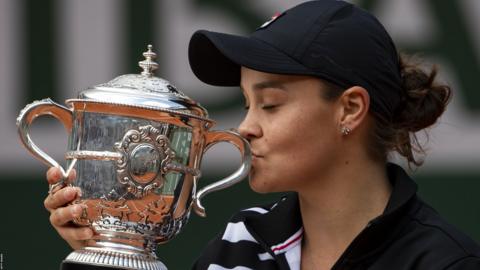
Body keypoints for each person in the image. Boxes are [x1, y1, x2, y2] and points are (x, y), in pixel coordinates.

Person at [44, 0, 480, 269]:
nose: (247, 127)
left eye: (270, 104)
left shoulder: (444, 262)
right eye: (247, 104)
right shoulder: (239, 245)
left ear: (349, 108)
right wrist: (106, 250)